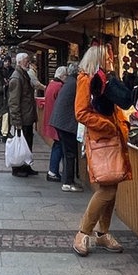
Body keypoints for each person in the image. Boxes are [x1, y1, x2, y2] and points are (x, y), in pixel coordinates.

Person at [72, 41, 131, 256]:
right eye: (107, 57)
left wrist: (121, 124)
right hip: (101, 141)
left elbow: (113, 108)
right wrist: (107, 126)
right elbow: (81, 112)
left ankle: (102, 233)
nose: (111, 59)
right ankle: (83, 232)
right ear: (98, 58)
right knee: (108, 189)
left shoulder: (105, 80)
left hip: (112, 140)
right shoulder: (86, 79)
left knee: (111, 187)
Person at [6, 51, 43, 177]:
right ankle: (18, 167)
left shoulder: (24, 75)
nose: (29, 63)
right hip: (22, 118)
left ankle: (26, 166)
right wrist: (16, 121)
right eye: (27, 61)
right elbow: (14, 101)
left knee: (27, 143)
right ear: (20, 62)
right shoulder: (17, 77)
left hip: (27, 116)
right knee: (21, 144)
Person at [50, 57, 83, 192]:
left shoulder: (69, 82)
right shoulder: (75, 83)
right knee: (70, 152)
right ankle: (68, 182)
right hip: (66, 123)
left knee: (66, 150)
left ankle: (67, 179)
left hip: (61, 121)